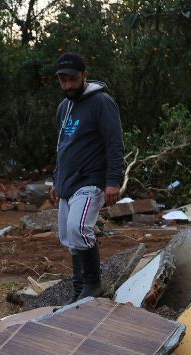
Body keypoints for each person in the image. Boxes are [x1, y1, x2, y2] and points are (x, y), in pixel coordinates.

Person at [49, 52, 124, 300]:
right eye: (63, 81)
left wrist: (113, 181)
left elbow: (114, 143)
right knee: (68, 236)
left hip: (91, 180)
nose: (68, 85)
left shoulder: (101, 102)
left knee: (79, 228)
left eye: (72, 79)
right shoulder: (64, 107)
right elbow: (62, 146)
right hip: (67, 183)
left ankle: (93, 284)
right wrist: (56, 180)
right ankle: (78, 291)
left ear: (83, 75)